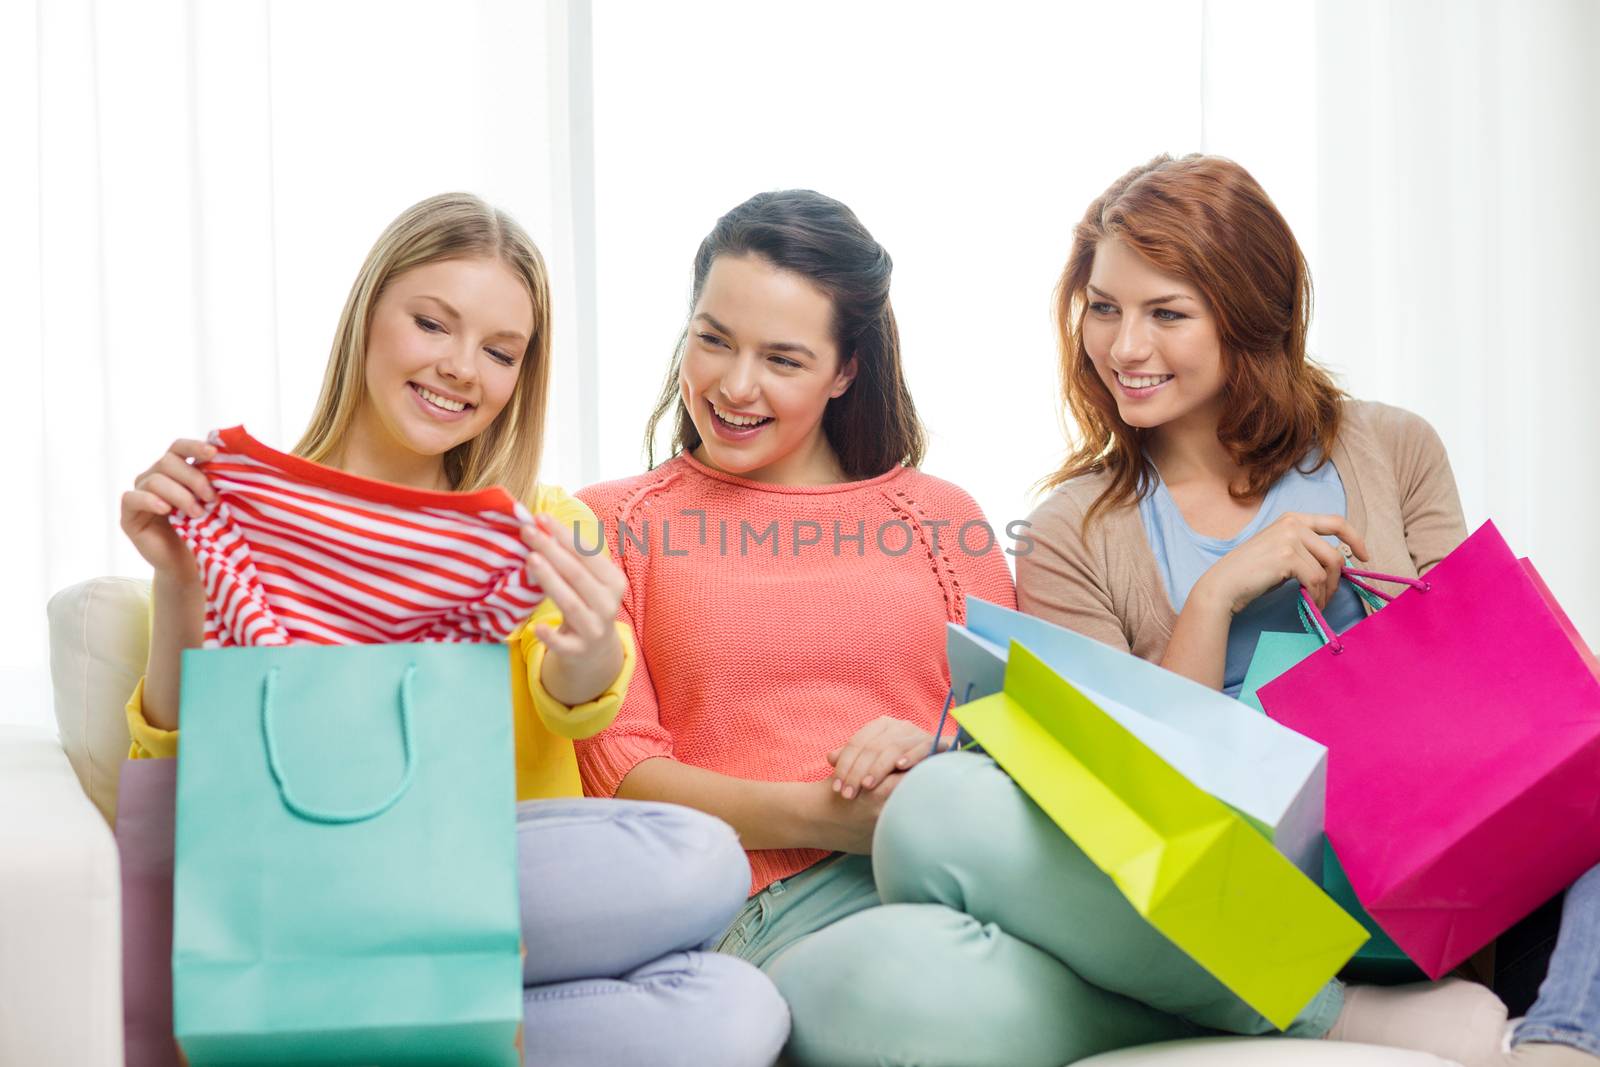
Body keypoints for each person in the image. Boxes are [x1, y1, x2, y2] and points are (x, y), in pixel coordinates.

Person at [118, 192, 787, 1066]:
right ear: (369, 317)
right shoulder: (246, 518)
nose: (463, 368)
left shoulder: (536, 528)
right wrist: (180, 583)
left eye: (500, 351)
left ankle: (392, 1030)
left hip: (479, 909)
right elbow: (178, 779)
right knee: (697, 856)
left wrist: (585, 653)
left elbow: (576, 704)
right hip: (297, 887)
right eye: (433, 324)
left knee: (735, 999)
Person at [570, 189, 1016, 1066]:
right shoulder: (615, 521)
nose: (735, 386)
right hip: (772, 903)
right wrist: (827, 817)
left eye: (783, 357)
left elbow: (1020, 735)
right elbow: (617, 769)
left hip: (966, 862)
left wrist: (933, 756)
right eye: (713, 339)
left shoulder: (942, 517)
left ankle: (1307, 1005)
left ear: (846, 368)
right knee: (904, 996)